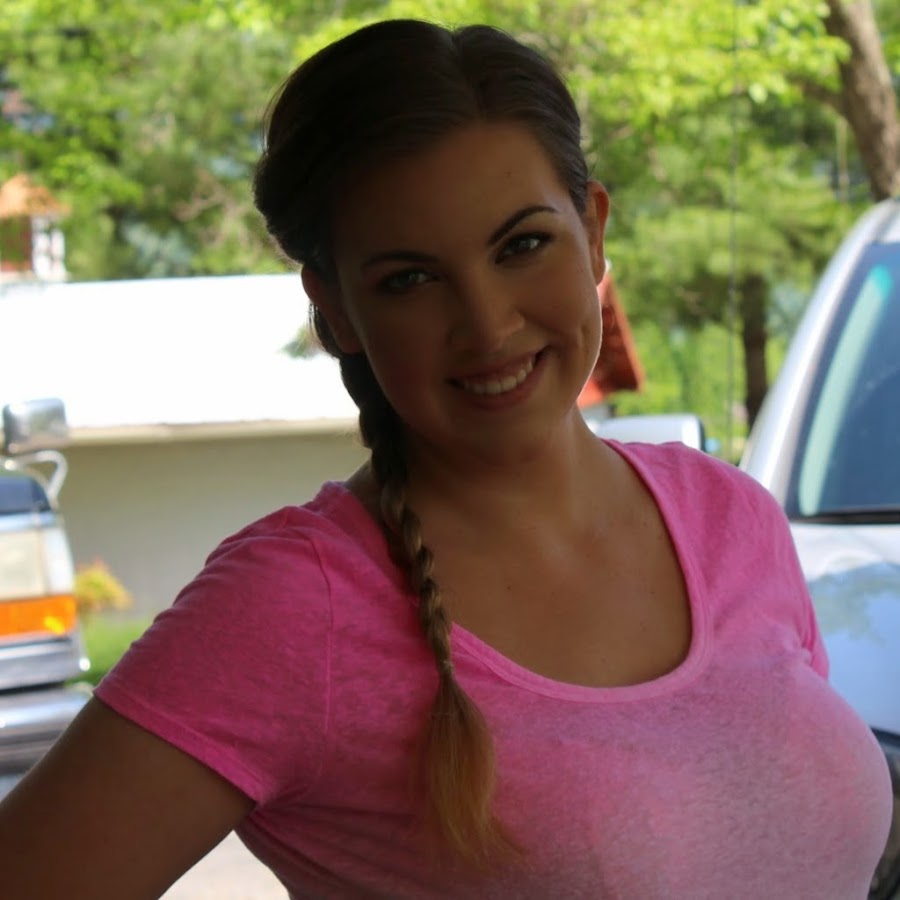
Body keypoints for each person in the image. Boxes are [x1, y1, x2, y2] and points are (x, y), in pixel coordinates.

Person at [0, 18, 891, 900]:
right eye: (411, 279)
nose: (487, 324)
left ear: (593, 231)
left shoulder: (728, 514)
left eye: (523, 245)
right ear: (336, 309)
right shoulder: (295, 604)